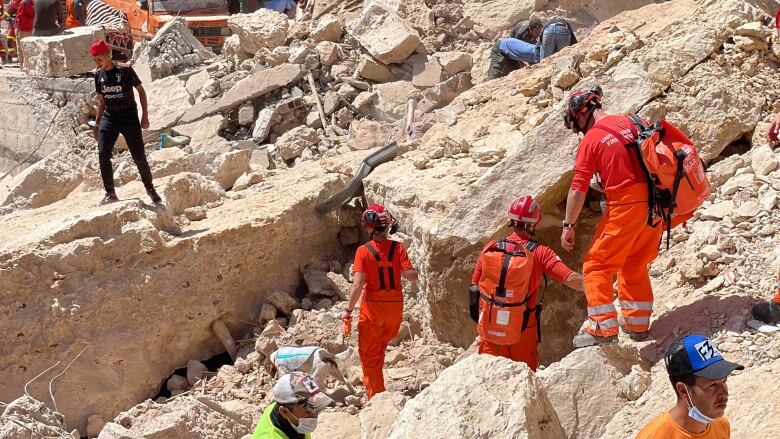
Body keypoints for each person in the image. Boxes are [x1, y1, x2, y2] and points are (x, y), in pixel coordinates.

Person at [560, 86, 662, 348]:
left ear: (580, 116)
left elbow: (578, 187)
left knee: (596, 266)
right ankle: (638, 325)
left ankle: (602, 328)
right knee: (633, 263)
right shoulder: (634, 121)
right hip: (656, 205)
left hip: (626, 206)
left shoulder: (592, 139)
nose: (578, 131)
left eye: (576, 126)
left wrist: (568, 225)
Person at [470, 195, 584, 371]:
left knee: (488, 376)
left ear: (511, 220)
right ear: (534, 223)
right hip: (523, 328)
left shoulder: (492, 247)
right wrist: (598, 285)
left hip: (490, 326)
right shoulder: (540, 252)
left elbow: (475, 285)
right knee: (523, 377)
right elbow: (570, 279)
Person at [341, 203, 417, 399]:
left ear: (369, 227)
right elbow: (411, 276)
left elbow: (358, 285)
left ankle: (376, 397)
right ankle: (378, 388)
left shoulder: (363, 251)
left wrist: (348, 311)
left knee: (370, 356)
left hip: (373, 310)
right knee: (381, 348)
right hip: (394, 311)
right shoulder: (397, 248)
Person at [91, 40, 161, 205]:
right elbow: (102, 101)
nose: (97, 63)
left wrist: (145, 116)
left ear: (108, 56)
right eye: (95, 60)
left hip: (129, 118)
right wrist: (97, 123)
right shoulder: (98, 75)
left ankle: (150, 188)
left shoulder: (125, 70)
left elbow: (141, 92)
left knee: (138, 156)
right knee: (103, 154)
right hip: (109, 118)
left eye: (99, 60)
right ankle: (110, 193)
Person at [636, 334, 743, 438]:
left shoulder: (721, 425)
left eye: (724, 381)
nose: (724, 394)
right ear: (683, 390)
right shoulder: (655, 436)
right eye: (712, 385)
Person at [251, 372, 332, 438]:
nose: (315, 415)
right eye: (308, 411)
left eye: (316, 408)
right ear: (284, 412)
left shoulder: (291, 418)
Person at [7, 0, 35, 65]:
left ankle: (26, 64)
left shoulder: (31, 2)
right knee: (19, 46)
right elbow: (18, 15)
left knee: (26, 47)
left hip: (28, 27)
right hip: (22, 27)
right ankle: (21, 64)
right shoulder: (24, 2)